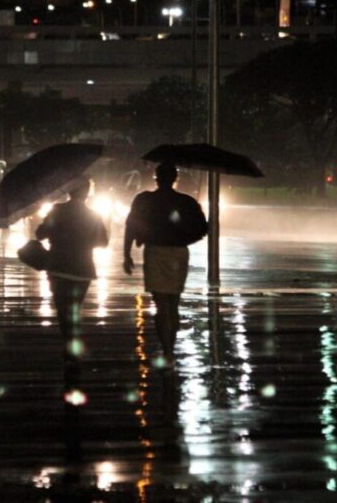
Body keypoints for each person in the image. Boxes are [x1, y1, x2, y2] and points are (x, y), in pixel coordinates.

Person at [123, 163, 208, 367]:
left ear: (156, 178)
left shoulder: (144, 200)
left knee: (161, 303)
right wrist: (184, 237)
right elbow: (202, 228)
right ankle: (171, 345)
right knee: (173, 302)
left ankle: (167, 349)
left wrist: (127, 253)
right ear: (175, 179)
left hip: (155, 251)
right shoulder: (187, 202)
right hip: (178, 252)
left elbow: (131, 225)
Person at [36, 178, 109, 402]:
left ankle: (69, 342)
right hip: (83, 270)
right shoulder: (93, 215)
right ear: (86, 193)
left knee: (62, 308)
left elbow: (40, 234)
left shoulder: (58, 210)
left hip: (58, 267)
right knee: (75, 308)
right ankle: (73, 342)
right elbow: (103, 242)